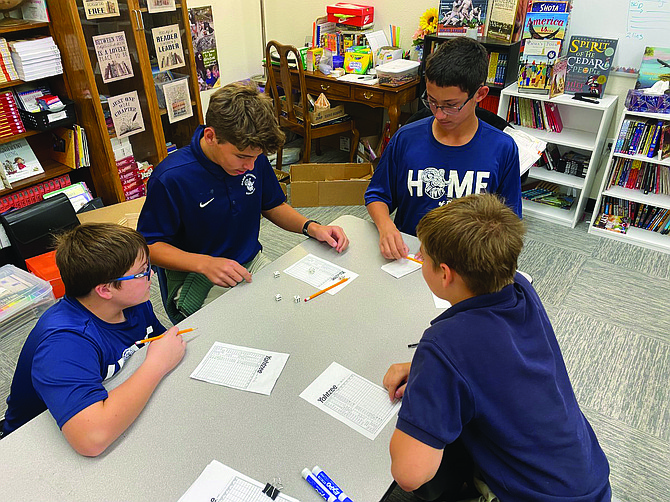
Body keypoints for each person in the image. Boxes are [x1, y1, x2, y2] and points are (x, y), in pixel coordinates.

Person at [383, 194, 611, 501]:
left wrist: (429, 378)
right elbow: (496, 359)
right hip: (588, 480)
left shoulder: (445, 342)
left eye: (423, 257)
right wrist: (423, 371)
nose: (420, 261)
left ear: (445, 273)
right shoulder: (519, 287)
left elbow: (409, 474)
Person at [137, 82, 349, 322]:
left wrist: (312, 227)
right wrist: (205, 264)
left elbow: (272, 205)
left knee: (299, 311)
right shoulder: (170, 178)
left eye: (257, 158)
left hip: (249, 260)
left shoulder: (251, 156)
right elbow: (149, 247)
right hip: (196, 275)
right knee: (245, 331)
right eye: (242, 157)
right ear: (211, 136)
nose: (250, 166)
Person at [1, 223, 186, 456]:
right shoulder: (63, 343)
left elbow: (157, 343)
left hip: (106, 402)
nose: (152, 274)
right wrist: (156, 365)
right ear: (105, 290)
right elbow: (92, 439)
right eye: (143, 271)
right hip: (35, 449)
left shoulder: (132, 302)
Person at [365, 37, 521, 260]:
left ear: (480, 94)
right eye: (431, 101)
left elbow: (509, 223)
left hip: (468, 260)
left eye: (450, 105)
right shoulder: (406, 139)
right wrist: (386, 227)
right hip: (408, 257)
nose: (438, 114)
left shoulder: (502, 148)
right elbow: (377, 195)